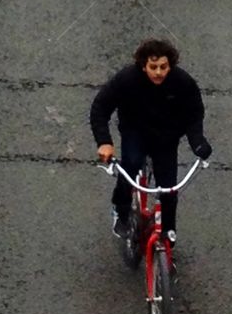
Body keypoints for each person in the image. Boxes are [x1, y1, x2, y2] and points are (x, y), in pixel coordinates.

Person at [90, 38, 212, 244]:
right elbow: (100, 108)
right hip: (135, 131)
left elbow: (194, 114)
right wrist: (104, 142)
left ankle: (168, 232)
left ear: (170, 66)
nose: (158, 72)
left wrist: (197, 142)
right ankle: (121, 210)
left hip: (166, 137)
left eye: (163, 67)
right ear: (143, 66)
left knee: (168, 189)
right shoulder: (126, 80)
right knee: (131, 164)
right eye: (153, 67)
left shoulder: (183, 83)